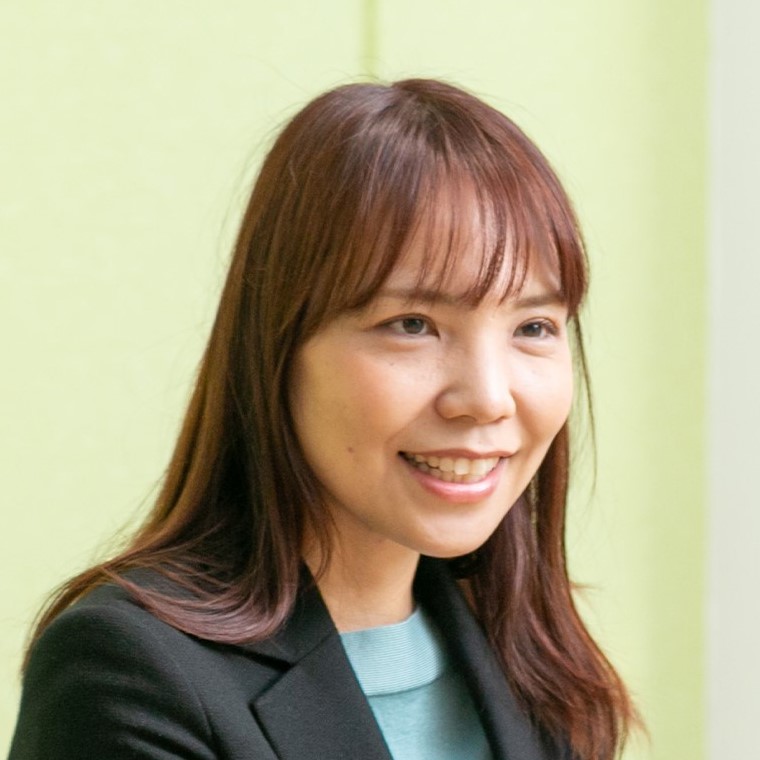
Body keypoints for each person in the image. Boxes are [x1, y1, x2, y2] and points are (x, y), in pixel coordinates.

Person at [9, 78, 638, 760]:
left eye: (534, 327)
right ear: (278, 347)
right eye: (412, 324)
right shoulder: (131, 672)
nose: (488, 398)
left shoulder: (536, 668)